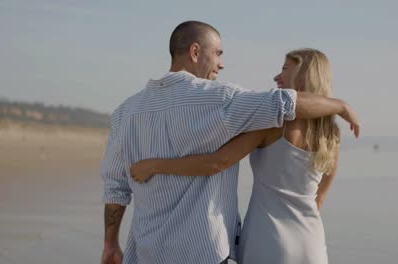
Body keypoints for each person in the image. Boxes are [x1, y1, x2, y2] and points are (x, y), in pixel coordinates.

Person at [100, 20, 360, 264]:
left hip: (149, 249)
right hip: (212, 249)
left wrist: (110, 243)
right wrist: (340, 105)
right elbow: (286, 104)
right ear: (195, 52)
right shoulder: (223, 98)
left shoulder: (125, 112)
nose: (221, 64)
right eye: (219, 54)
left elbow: (115, 187)